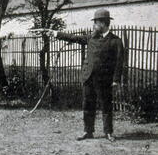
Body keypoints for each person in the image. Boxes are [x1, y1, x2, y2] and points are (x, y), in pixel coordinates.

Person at [44, 9, 124, 142]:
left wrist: (116, 80)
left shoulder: (115, 41)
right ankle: (88, 131)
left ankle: (108, 132)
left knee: (106, 106)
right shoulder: (91, 38)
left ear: (103, 23)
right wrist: (56, 33)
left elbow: (119, 62)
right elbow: (74, 38)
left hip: (105, 80)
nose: (94, 25)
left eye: (96, 22)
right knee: (87, 105)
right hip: (88, 78)